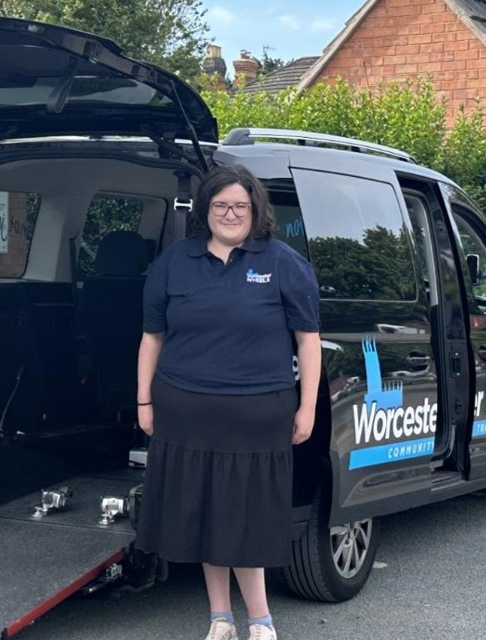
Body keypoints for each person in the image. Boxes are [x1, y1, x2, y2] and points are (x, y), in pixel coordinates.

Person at [134, 164, 321, 640]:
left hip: (257, 417)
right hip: (185, 414)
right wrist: (144, 403)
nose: (230, 213)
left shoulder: (282, 262)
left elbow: (308, 341)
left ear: (255, 209)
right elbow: (152, 338)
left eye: (240, 205)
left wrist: (308, 408)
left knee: (246, 519)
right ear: (205, 210)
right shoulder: (175, 262)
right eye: (220, 205)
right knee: (202, 517)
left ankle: (261, 620)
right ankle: (220, 618)